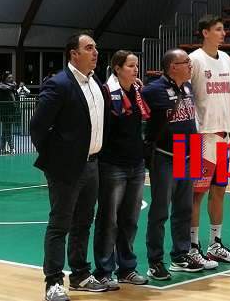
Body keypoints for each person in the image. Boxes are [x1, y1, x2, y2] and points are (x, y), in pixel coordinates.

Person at [30, 32, 109, 301]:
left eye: (95, 48)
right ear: (73, 54)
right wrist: (55, 157)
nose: (95, 52)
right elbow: (37, 126)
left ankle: (80, 274)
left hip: (92, 165)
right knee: (60, 224)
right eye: (89, 48)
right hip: (66, 168)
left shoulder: (95, 81)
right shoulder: (59, 84)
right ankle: (53, 281)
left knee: (83, 222)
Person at [143, 48, 204, 280]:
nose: (190, 65)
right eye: (186, 62)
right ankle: (155, 261)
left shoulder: (188, 87)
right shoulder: (153, 90)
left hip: (187, 153)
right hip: (165, 155)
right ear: (172, 67)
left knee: (184, 209)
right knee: (160, 211)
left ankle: (180, 254)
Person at [92, 51, 150, 289]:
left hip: (136, 165)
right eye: (130, 66)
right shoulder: (106, 93)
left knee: (130, 219)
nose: (135, 69)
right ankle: (104, 270)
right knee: (108, 220)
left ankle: (127, 267)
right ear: (117, 68)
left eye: (136, 65)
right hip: (112, 164)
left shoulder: (138, 92)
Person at [188, 16, 230, 264]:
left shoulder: (227, 59)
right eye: (219, 30)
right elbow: (186, 98)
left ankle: (215, 243)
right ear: (205, 32)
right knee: (195, 194)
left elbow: (229, 97)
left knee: (220, 190)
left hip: (222, 136)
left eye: (224, 29)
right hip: (202, 137)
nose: (224, 33)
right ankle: (191, 245)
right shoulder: (194, 60)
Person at [0, 72, 17, 154]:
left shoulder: (12, 88)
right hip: (4, 112)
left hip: (10, 112)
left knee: (5, 131)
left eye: (12, 77)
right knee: (8, 131)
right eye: (9, 77)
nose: (11, 79)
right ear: (5, 78)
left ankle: (2, 149)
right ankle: (12, 148)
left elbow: (14, 98)